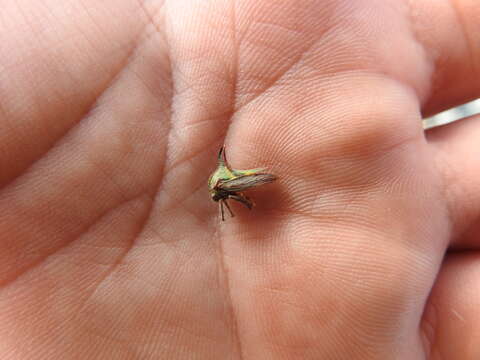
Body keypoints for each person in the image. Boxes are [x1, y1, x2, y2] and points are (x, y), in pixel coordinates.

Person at [0, 0, 478, 358]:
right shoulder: (224, 189)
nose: (216, 191)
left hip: (252, 180)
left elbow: (229, 183)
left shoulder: (225, 187)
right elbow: (228, 186)